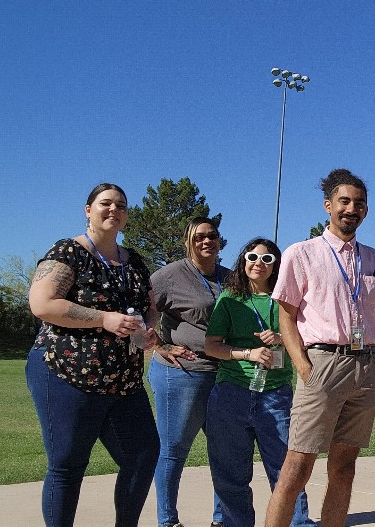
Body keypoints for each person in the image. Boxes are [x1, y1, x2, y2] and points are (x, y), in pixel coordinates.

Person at [25, 183, 188, 526]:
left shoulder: (134, 261)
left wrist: (147, 330)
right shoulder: (69, 252)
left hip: (123, 379)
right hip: (66, 371)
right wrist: (104, 319)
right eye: (105, 203)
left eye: (121, 205)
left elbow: (150, 308)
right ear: (88, 210)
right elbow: (42, 303)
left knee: (143, 455)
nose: (114, 209)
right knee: (68, 464)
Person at [265, 169, 375, 527]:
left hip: (368, 365)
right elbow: (286, 317)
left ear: (366, 211)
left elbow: (373, 308)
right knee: (296, 467)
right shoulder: (302, 254)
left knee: (345, 467)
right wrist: (305, 368)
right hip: (323, 364)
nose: (351, 209)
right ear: (328, 206)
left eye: (359, 203)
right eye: (344, 201)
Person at [202, 238, 316, 527]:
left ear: (276, 265)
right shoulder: (229, 299)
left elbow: (307, 341)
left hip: (277, 395)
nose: (258, 264)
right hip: (232, 392)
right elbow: (211, 346)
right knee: (231, 473)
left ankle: (297, 523)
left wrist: (281, 337)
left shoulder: (287, 300)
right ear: (243, 261)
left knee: (287, 471)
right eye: (252, 257)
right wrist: (247, 353)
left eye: (267, 259)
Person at [148, 216, 228, 527]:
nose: (206, 241)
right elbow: (137, 313)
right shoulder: (169, 276)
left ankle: (222, 519)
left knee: (225, 452)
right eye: (198, 237)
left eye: (212, 236)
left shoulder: (230, 277)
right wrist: (160, 346)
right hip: (183, 374)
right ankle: (168, 520)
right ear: (187, 242)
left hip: (225, 374)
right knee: (173, 449)